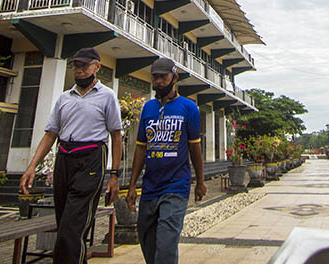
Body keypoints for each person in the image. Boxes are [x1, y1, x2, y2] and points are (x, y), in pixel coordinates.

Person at [20, 47, 123, 264]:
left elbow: (116, 135)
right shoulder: (64, 98)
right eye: (76, 66)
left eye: (84, 66)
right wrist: (31, 167)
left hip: (92, 160)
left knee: (71, 227)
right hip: (64, 158)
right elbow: (50, 135)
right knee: (65, 223)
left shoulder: (107, 96)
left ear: (97, 67)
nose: (79, 70)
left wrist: (114, 174)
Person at [126, 57, 207, 264]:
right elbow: (141, 148)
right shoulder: (148, 108)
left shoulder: (189, 108)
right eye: (155, 77)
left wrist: (200, 181)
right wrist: (133, 185)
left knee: (166, 243)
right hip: (150, 186)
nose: (159, 82)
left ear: (175, 78)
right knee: (146, 238)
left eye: (163, 77)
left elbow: (194, 146)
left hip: (176, 186)